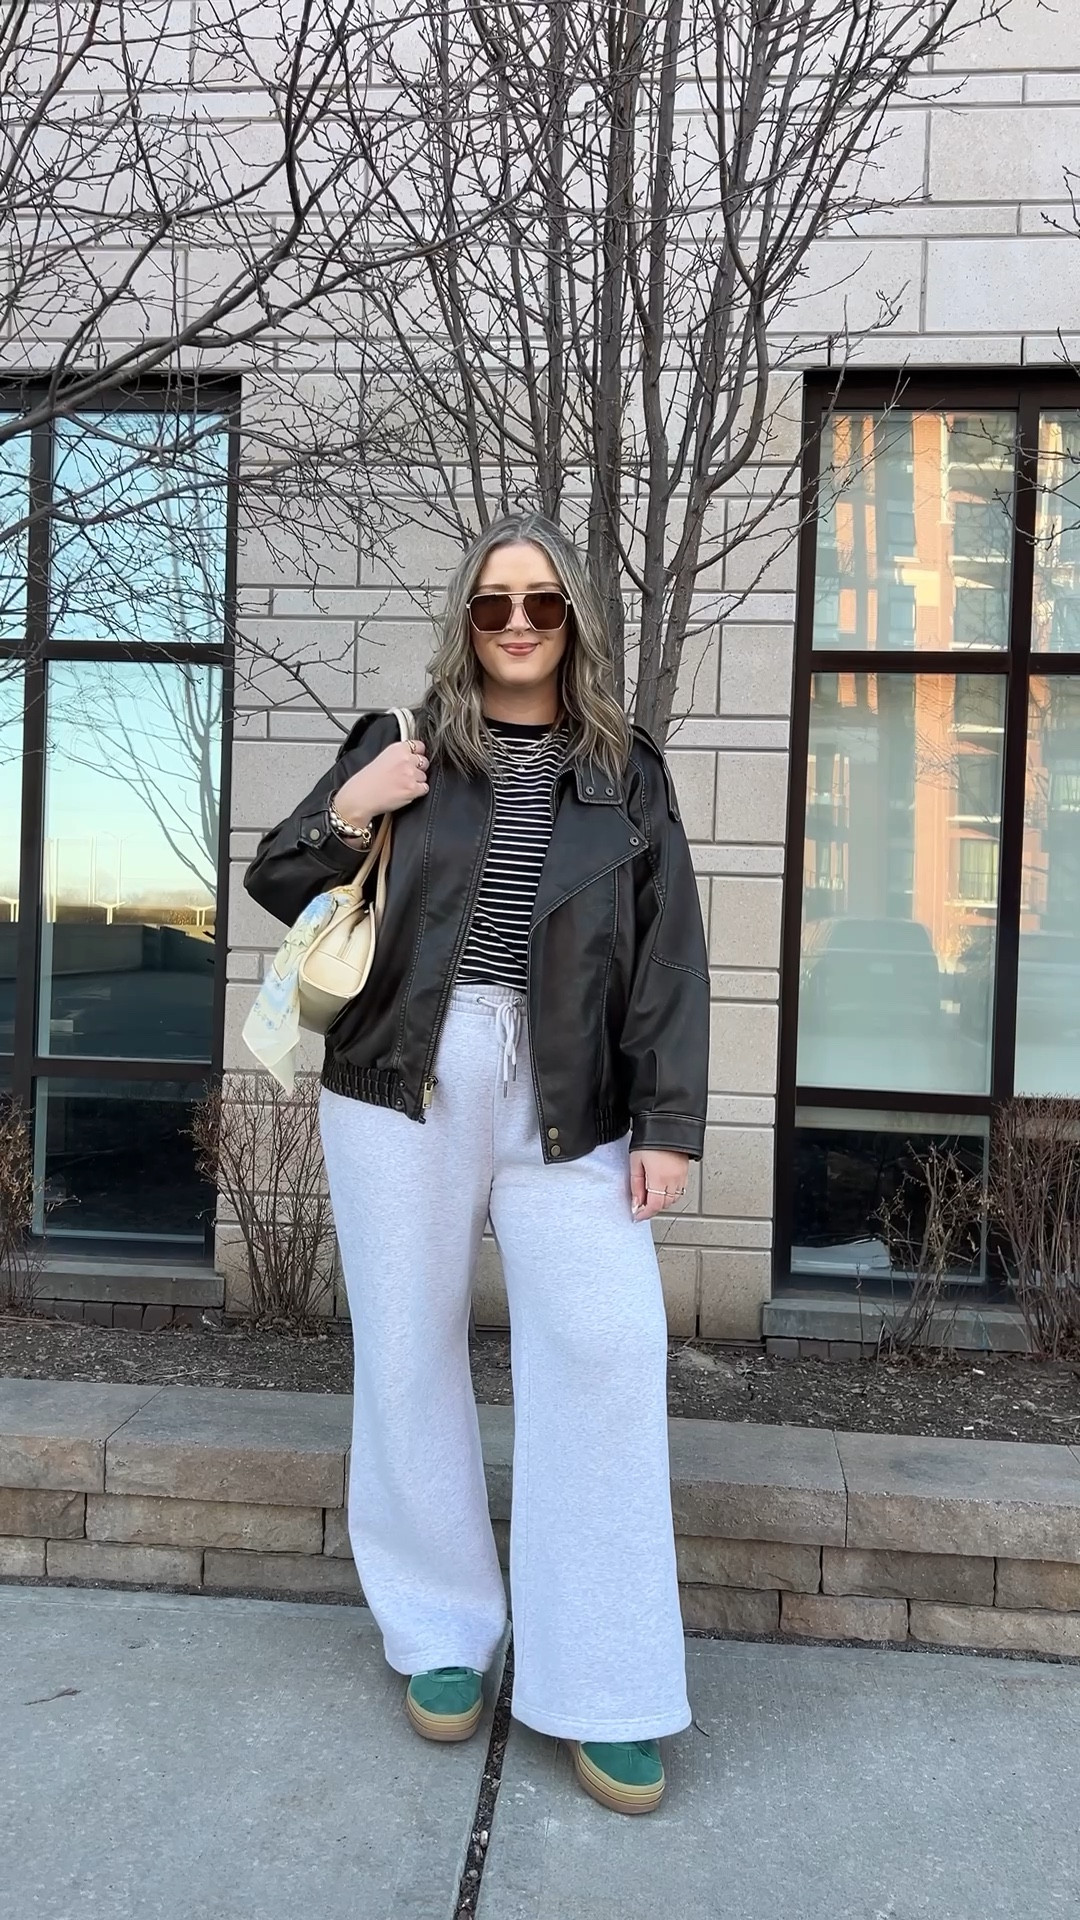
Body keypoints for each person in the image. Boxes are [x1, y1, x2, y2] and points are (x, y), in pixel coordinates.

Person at [243, 511, 710, 1816]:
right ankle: (441, 1631)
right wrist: (350, 807)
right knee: (405, 1346)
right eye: (494, 603)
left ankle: (606, 1684)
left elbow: (669, 962)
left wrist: (668, 1126)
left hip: (572, 1094)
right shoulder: (403, 745)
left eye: (542, 604)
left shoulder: (631, 771)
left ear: (575, 623)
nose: (516, 624)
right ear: (465, 618)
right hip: (403, 1078)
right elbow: (277, 880)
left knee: (610, 1354)